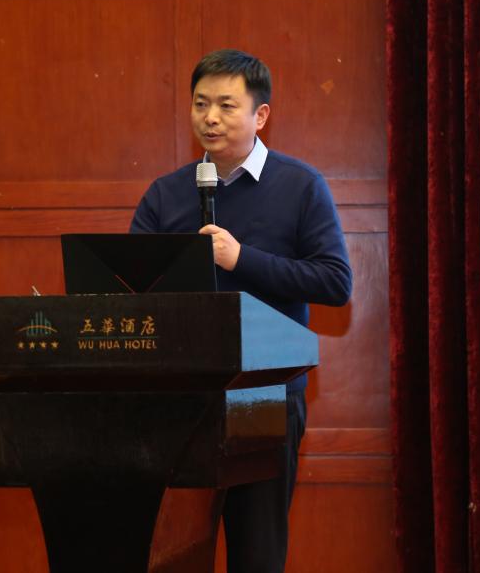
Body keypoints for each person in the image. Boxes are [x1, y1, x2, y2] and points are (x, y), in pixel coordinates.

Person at [130, 49, 352, 572]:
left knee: (257, 555)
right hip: (180, 400)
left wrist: (240, 258)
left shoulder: (300, 186)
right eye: (200, 104)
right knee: (174, 556)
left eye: (226, 105)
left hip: (263, 397)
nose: (210, 117)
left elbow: (334, 282)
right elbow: (131, 288)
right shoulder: (166, 194)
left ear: (260, 115)